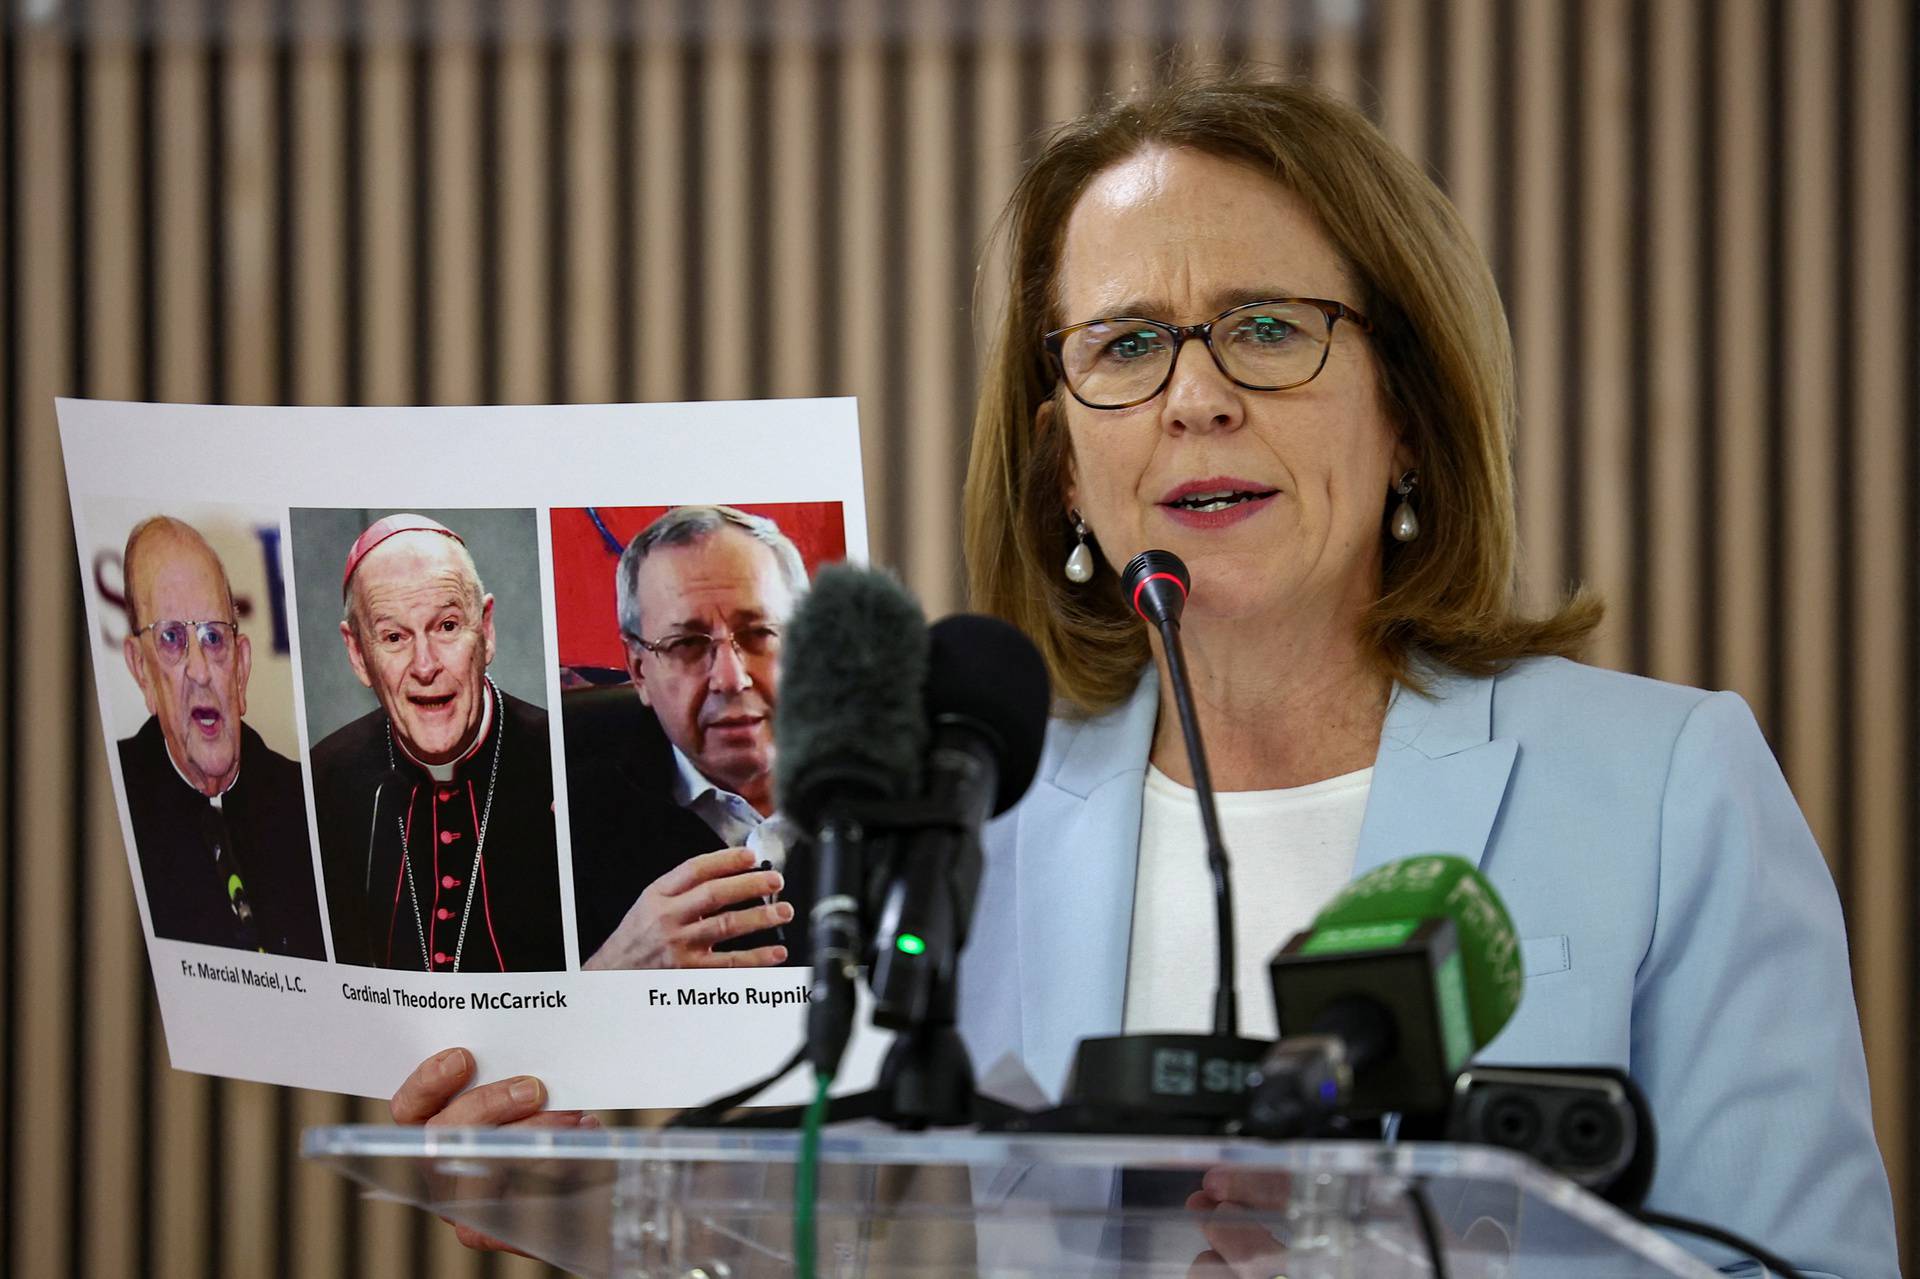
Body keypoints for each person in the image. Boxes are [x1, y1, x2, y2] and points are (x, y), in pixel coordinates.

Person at [391, 76, 1899, 1276]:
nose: (1194, 397)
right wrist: (597, 1204)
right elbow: (820, 1244)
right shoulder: (950, 812)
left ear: (1410, 416)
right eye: (1124, 345)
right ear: (1064, 467)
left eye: (1266, 328)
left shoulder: (1663, 785)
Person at [311, 513, 565, 973]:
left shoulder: (564, 764)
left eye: (447, 626)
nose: (425, 665)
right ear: (358, 654)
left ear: (485, 631)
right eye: (393, 637)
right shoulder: (321, 782)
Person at [565, 505, 808, 970]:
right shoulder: (567, 815)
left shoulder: (895, 790)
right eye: (687, 644)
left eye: (760, 633)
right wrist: (613, 971)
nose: (731, 678)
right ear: (639, 671)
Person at [116, 516, 324, 959]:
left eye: (214, 637)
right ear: (141, 670)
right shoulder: (116, 801)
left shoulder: (309, 805)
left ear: (242, 666)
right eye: (171, 637)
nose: (200, 670)